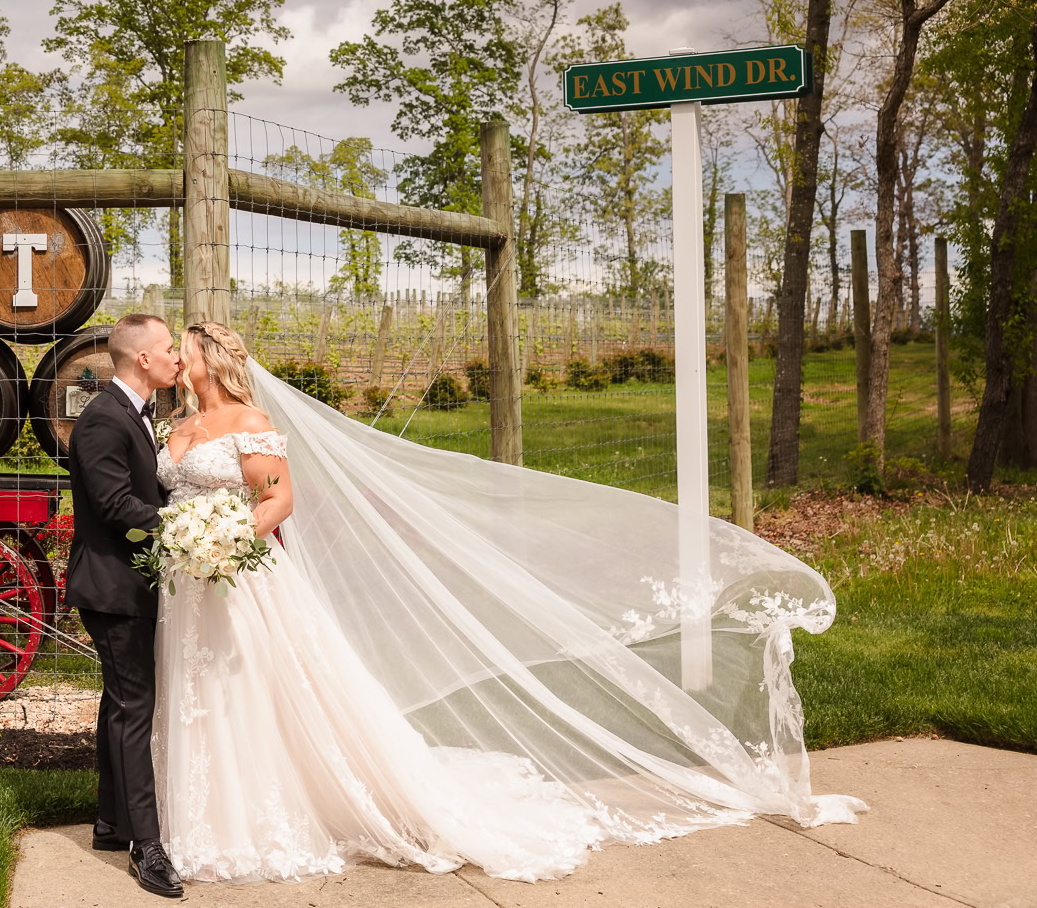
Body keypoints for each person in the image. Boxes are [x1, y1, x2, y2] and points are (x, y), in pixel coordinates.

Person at [149, 320, 866, 886]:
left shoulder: (247, 419)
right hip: (188, 585)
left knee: (253, 689)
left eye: (183, 352)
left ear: (211, 358)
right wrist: (188, 540)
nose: (176, 363)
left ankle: (263, 819)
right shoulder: (173, 424)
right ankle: (205, 825)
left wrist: (224, 540)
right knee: (199, 692)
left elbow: (280, 498)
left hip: (241, 577)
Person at [62, 313, 186, 898]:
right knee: (136, 709)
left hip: (123, 582)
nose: (176, 358)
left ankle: (112, 823)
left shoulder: (132, 413)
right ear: (142, 360)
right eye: (168, 349)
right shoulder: (102, 420)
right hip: (112, 587)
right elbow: (114, 505)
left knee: (119, 704)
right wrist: (187, 523)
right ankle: (148, 846)